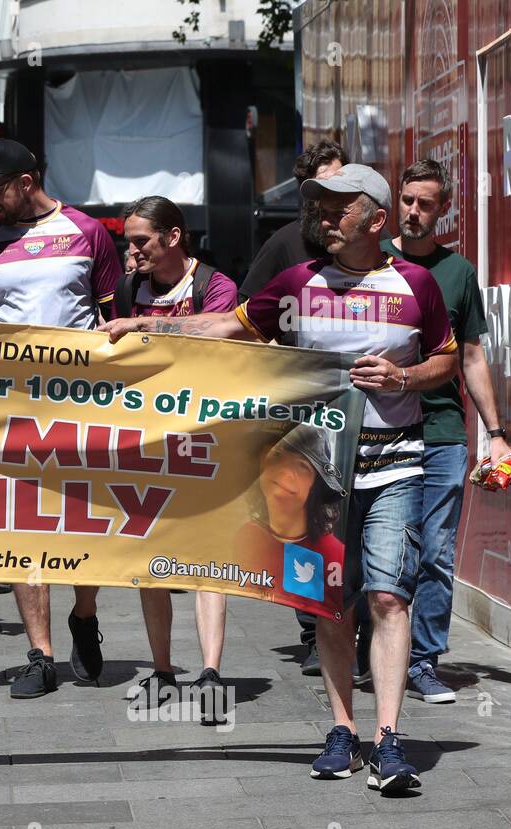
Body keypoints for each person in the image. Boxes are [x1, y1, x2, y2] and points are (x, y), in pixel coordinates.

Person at [108, 163, 459, 793]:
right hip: (316, 469)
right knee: (331, 603)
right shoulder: (297, 282)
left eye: (335, 206)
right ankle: (342, 731)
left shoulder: (418, 286)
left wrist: (405, 378)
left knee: (387, 598)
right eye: (318, 205)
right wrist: (143, 326)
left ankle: (389, 740)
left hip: (395, 463)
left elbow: (446, 358)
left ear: (375, 220)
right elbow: (223, 328)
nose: (321, 215)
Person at [0, 137, 122, 699]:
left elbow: (115, 326)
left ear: (26, 182)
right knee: (24, 530)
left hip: (83, 409)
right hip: (12, 413)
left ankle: (83, 613)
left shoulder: (89, 232)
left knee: (89, 530)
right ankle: (40, 655)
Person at [378, 159, 511, 703]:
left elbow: (474, 355)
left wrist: (496, 432)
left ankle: (423, 660)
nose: (414, 212)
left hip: (438, 431)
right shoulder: (373, 263)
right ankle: (378, 637)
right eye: (408, 200)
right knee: (381, 548)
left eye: (426, 203)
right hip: (378, 430)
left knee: (434, 549)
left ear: (443, 209)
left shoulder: (457, 272)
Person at [104, 196, 239, 718]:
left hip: (205, 441)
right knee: (150, 563)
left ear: (173, 237)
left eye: (141, 240)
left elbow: (224, 339)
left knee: (208, 561)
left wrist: (146, 329)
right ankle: (161, 671)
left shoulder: (216, 286)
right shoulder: (126, 289)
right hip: (145, 444)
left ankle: (210, 674)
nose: (131, 249)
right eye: (129, 239)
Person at [239, 138, 349, 676]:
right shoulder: (286, 245)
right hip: (302, 411)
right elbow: (246, 315)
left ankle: (357, 627)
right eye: (325, 187)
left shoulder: (370, 250)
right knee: (305, 515)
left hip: (360, 410)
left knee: (351, 520)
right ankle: (313, 628)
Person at [235, 424, 347, 620]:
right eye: (277, 456)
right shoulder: (244, 535)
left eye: (302, 466)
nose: (286, 473)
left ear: (316, 485)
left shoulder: (331, 552)